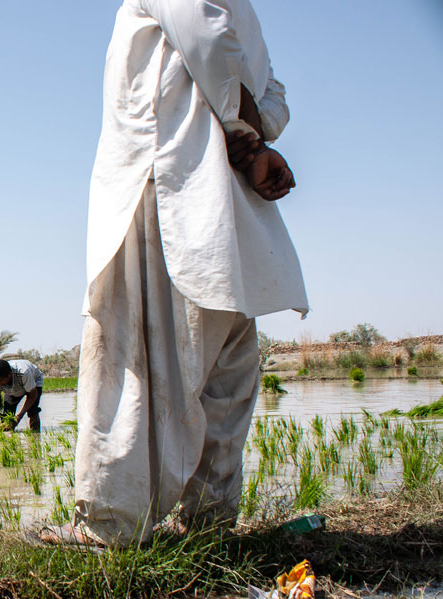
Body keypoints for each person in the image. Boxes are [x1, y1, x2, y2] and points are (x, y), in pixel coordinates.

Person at [43, 0, 308, 546]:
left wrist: (248, 136)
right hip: (226, 209)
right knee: (225, 367)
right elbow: (272, 102)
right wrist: (250, 133)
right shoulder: (246, 15)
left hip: (171, 186)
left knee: (132, 356)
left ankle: (111, 528)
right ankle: (207, 525)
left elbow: (210, 45)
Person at [0, 359, 44, 432]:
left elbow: (32, 395)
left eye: (1, 381)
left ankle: (35, 436)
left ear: (10, 374)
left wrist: (19, 417)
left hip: (34, 381)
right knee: (7, 414)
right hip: (14, 387)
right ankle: (8, 437)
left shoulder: (24, 372)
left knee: (32, 411)